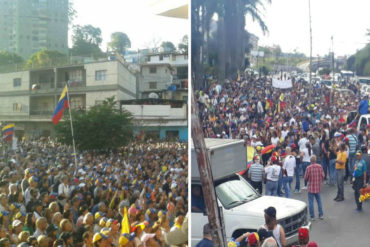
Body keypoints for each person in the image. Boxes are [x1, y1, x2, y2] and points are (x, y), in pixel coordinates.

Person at [304, 155, 324, 221]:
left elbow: (306, 178)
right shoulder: (320, 166)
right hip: (318, 186)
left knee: (311, 202)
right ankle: (321, 215)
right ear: (315, 160)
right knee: (319, 201)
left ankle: (312, 216)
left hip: (311, 187)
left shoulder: (308, 168)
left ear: (310, 161)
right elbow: (323, 175)